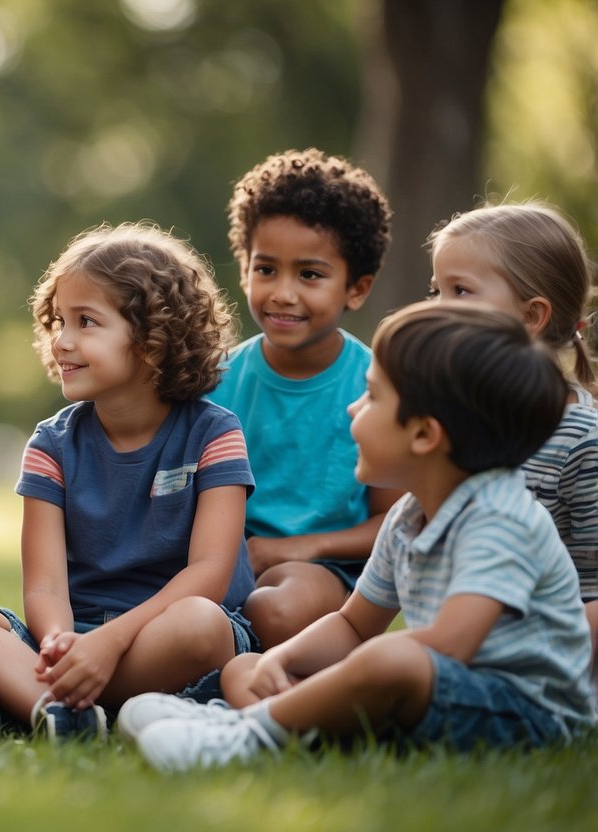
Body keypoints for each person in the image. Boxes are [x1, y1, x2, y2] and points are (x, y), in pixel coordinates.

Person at [123, 303, 596, 770]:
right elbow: (352, 625)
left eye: (371, 395)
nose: (353, 406)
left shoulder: (500, 520)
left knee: (392, 659)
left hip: (528, 714)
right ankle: (248, 718)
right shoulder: (409, 515)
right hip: (442, 696)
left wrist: (355, 670)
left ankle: (244, 732)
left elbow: (450, 647)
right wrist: (282, 660)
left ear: (424, 435)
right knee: (250, 667)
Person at [0, 221, 258, 740]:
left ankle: (40, 702)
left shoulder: (214, 433)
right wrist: (63, 641)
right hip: (72, 635)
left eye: (86, 321)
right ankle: (68, 712)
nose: (62, 340)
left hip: (165, 634)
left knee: (201, 623)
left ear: (154, 338)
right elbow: (43, 583)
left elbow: (210, 576)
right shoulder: (50, 446)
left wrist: (110, 645)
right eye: (59, 321)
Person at [207, 147, 403, 649]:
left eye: (310, 275)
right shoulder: (213, 381)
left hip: (328, 570)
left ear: (355, 289)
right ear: (245, 269)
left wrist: (301, 546)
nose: (283, 293)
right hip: (221, 560)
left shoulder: (379, 386)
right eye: (266, 269)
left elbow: (397, 518)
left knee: (274, 610)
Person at [425, 201, 598, 668]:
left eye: (460, 291)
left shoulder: (582, 440)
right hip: (452, 647)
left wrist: (513, 650)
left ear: (531, 316)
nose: (438, 309)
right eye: (436, 289)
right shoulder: (454, 420)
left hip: (542, 668)